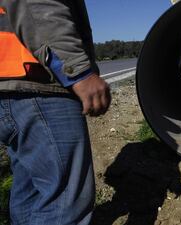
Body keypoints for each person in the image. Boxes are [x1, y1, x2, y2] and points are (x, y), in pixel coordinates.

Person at [0, 1, 111, 224]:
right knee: (64, 200)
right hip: (38, 85)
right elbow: (37, 5)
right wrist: (77, 71)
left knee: (30, 193)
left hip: (11, 89)